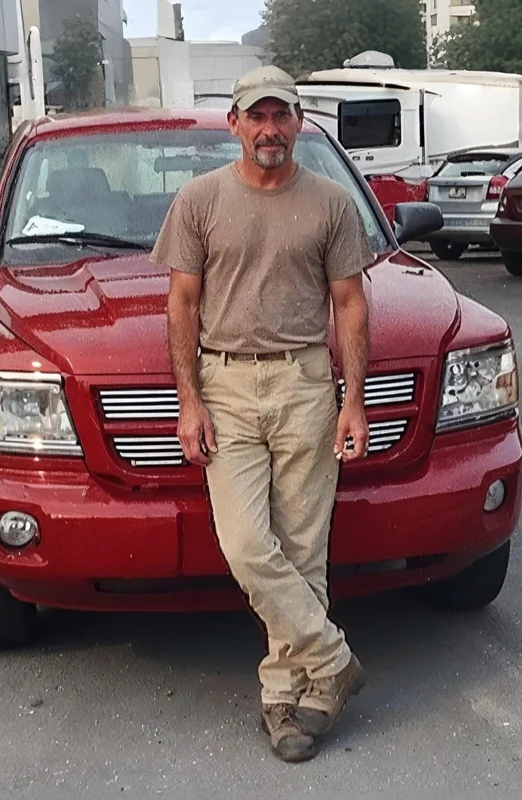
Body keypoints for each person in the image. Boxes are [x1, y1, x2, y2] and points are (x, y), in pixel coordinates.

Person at [150, 65, 374, 763]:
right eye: (258, 116)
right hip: (226, 388)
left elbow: (350, 304)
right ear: (236, 124)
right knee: (249, 545)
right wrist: (188, 402)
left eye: (282, 116)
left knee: (304, 551)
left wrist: (354, 401)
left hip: (306, 382)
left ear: (299, 122)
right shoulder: (199, 200)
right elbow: (182, 304)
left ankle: (289, 697)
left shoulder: (333, 204)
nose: (270, 130)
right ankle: (335, 658)